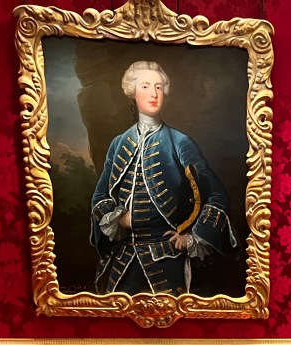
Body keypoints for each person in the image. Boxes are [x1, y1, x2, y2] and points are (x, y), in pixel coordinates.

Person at [90, 61, 236, 296]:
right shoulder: (119, 143)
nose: (154, 94)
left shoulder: (180, 142)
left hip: (167, 261)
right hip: (123, 262)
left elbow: (217, 196)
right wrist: (119, 219)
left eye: (158, 87)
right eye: (146, 86)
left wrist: (192, 237)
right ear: (132, 93)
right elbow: (99, 196)